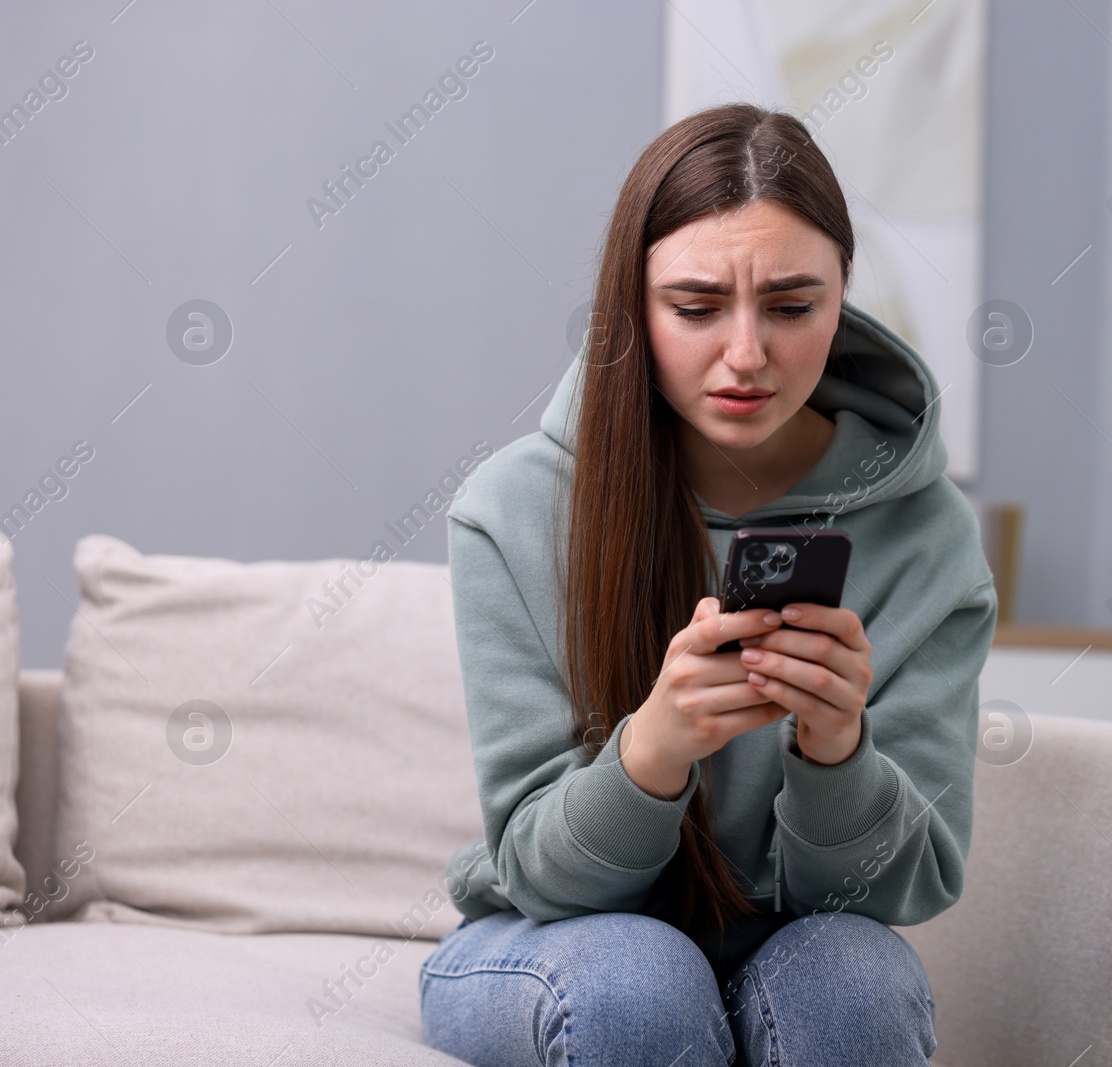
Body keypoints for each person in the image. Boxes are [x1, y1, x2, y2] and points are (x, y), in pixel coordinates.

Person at [419, 101, 998, 1067]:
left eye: (791, 306)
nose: (745, 355)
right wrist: (655, 747)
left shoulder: (927, 534)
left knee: (854, 985)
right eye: (694, 309)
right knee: (639, 986)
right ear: (631, 306)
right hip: (551, 941)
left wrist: (836, 753)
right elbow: (541, 873)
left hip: (788, 943)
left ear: (844, 293)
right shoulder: (514, 508)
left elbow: (905, 894)